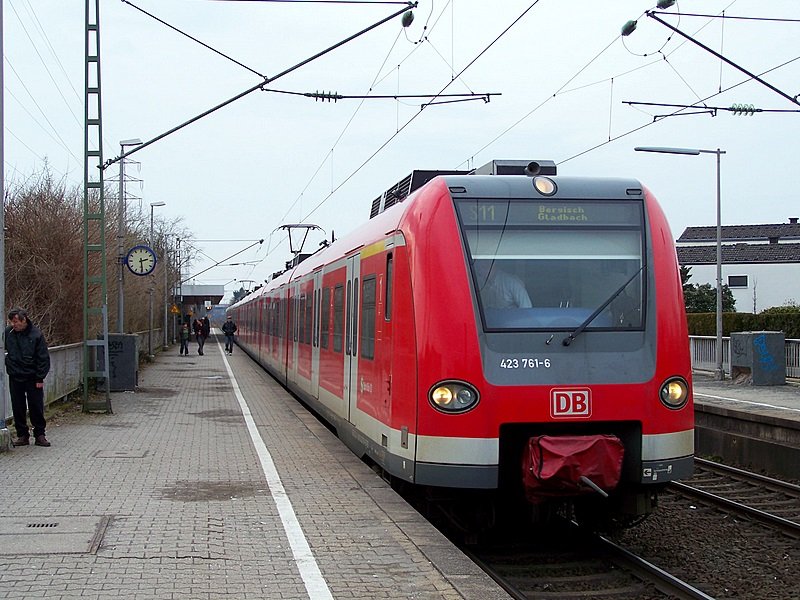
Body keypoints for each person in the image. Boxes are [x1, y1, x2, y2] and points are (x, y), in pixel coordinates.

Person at [4, 308, 51, 447]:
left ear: (24, 320)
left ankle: (40, 434)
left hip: (32, 377)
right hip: (15, 375)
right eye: (12, 322)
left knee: (36, 406)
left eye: (16, 321)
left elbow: (43, 357)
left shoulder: (36, 335)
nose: (14, 324)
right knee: (18, 406)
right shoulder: (8, 333)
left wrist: (39, 377)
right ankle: (22, 435)